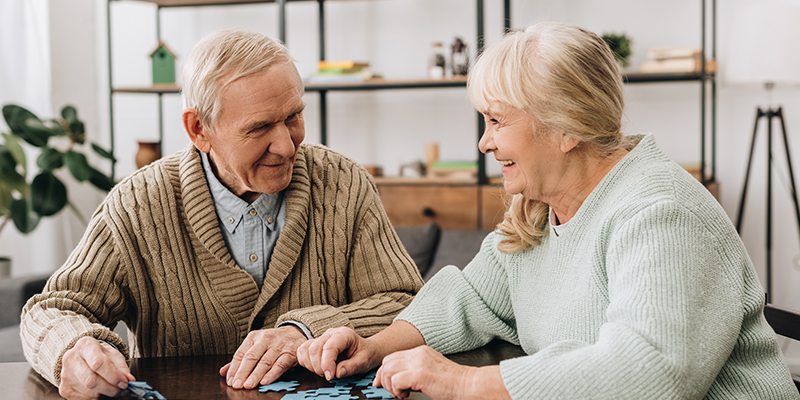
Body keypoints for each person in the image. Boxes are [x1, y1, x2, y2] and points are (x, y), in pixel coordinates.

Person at [296, 22, 800, 399]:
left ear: (567, 126)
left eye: (497, 120)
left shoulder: (661, 213)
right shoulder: (539, 209)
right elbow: (470, 298)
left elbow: (653, 371)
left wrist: (466, 382)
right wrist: (375, 345)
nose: (484, 141)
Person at [20, 28, 424, 400]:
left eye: (293, 117)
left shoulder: (344, 183)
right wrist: (75, 348)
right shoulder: (136, 204)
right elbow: (52, 310)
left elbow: (411, 305)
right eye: (259, 127)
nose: (286, 146)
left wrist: (304, 330)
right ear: (198, 130)